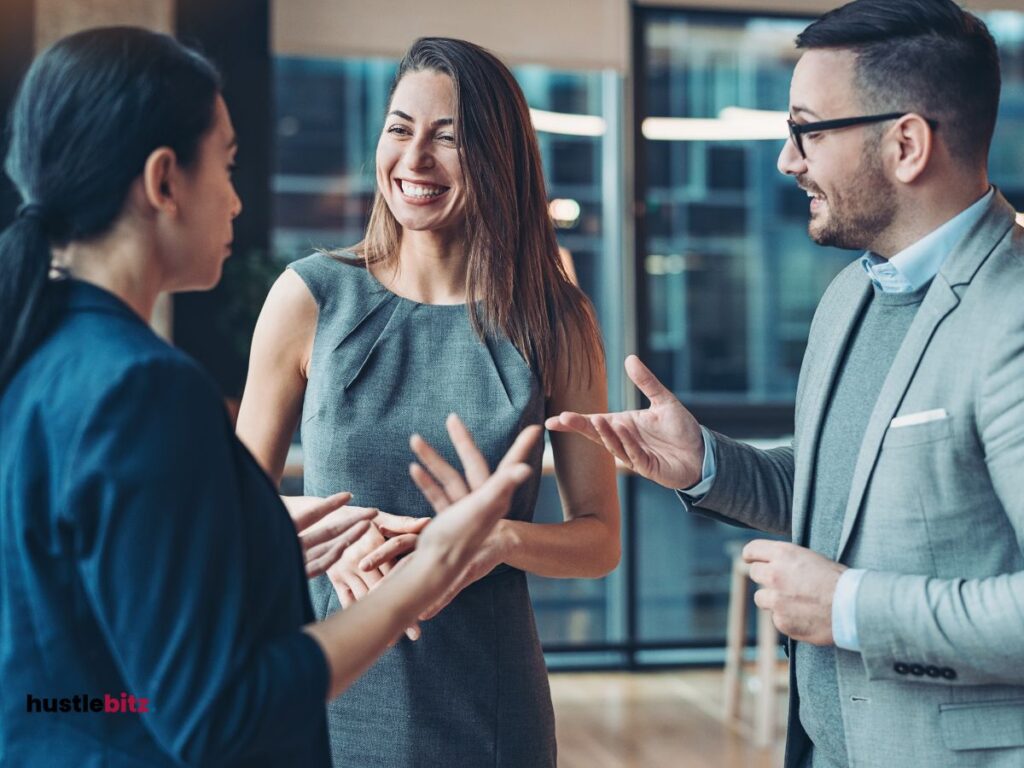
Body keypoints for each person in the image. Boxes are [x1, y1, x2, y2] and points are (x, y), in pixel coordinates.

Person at [0, 26, 539, 767]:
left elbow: (80, 671)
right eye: (225, 165)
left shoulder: (33, 348)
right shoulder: (143, 387)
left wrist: (258, 534)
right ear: (164, 182)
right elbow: (217, 713)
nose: (235, 200)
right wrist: (427, 573)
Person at [548, 1, 1024, 766]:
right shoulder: (850, 298)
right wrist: (706, 461)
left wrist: (850, 608)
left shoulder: (1014, 315)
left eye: (807, 130)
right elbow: (843, 493)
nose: (787, 160)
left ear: (906, 143)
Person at [236, 36, 620, 767]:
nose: (414, 160)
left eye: (448, 139)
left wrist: (497, 540)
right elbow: (230, 519)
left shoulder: (555, 319)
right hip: (326, 686)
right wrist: (316, 534)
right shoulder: (309, 297)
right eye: (399, 129)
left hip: (489, 704)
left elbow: (600, 538)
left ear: (498, 157)